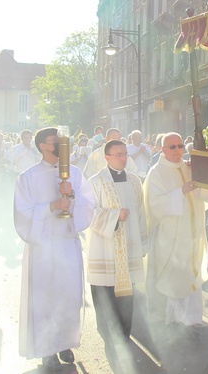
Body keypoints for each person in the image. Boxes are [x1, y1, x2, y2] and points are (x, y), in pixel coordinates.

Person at [14, 127, 95, 370]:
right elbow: (22, 214)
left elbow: (89, 203)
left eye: (63, 142)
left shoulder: (75, 173)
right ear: (43, 146)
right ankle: (46, 348)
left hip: (67, 244)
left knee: (68, 298)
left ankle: (64, 343)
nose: (61, 147)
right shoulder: (27, 177)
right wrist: (51, 206)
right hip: (43, 246)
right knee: (45, 299)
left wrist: (72, 196)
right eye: (55, 142)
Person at [87, 139, 148, 370]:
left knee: (126, 299)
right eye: (118, 154)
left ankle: (123, 335)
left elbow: (141, 214)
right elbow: (88, 213)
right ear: (107, 157)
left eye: (125, 154)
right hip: (104, 251)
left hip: (129, 250)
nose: (123, 157)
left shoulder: (134, 181)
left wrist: (142, 243)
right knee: (105, 298)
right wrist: (114, 216)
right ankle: (108, 337)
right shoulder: (96, 182)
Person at [143, 132, 208, 326]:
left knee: (192, 270)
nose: (177, 150)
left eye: (180, 146)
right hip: (171, 233)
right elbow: (154, 204)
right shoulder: (156, 172)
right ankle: (172, 319)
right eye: (171, 147)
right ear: (162, 149)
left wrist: (201, 172)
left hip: (193, 230)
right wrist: (180, 191)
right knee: (174, 274)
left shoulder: (190, 167)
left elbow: (205, 196)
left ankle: (191, 318)